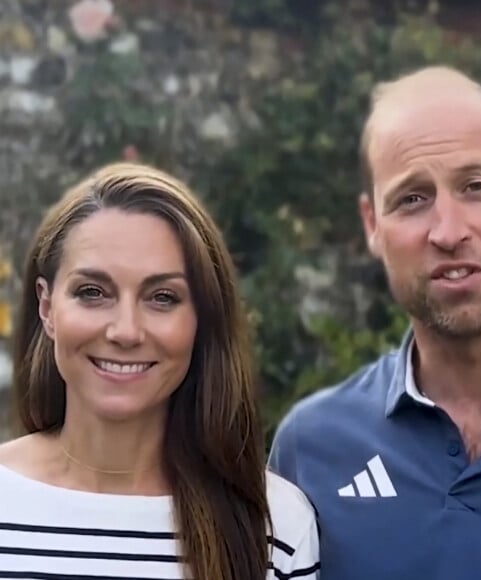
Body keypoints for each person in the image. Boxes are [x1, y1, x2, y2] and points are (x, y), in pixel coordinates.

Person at [269, 65, 481, 579]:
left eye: (476, 186)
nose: (448, 230)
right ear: (372, 225)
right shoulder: (312, 451)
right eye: (413, 198)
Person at [0, 162, 320, 580]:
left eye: (163, 297)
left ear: (201, 320)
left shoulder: (274, 526)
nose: (126, 331)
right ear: (47, 307)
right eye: (92, 292)